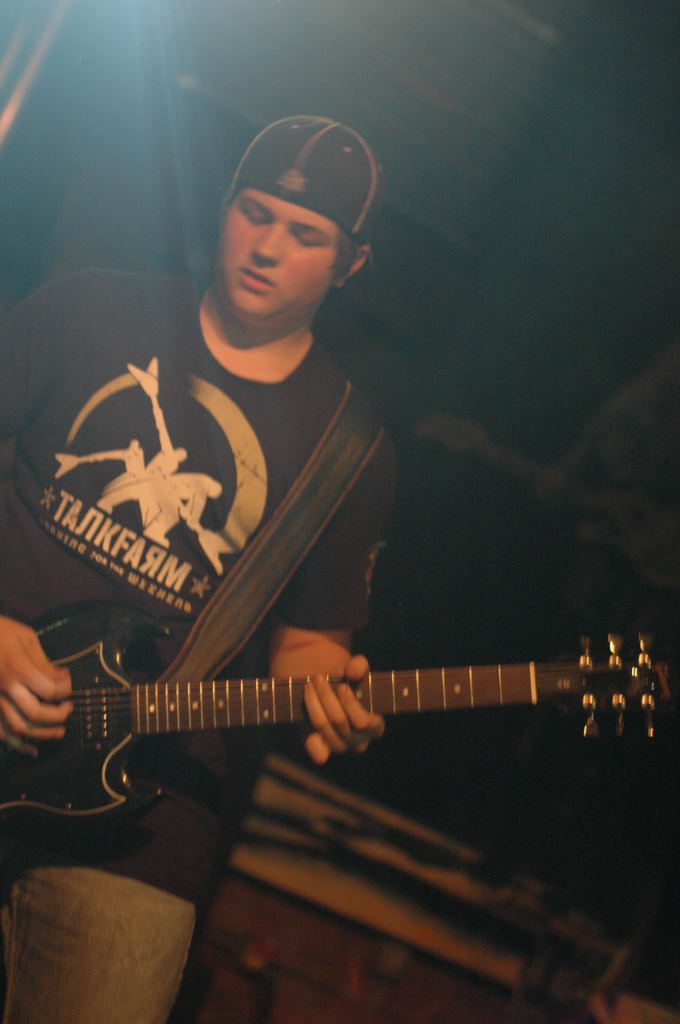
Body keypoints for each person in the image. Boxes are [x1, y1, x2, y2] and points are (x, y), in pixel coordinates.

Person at [0, 116, 395, 1023]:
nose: (268, 247)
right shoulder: (88, 308)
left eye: (306, 235)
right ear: (224, 209)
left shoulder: (352, 452)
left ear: (351, 263)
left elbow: (308, 645)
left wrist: (332, 697)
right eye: (255, 213)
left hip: (144, 813)